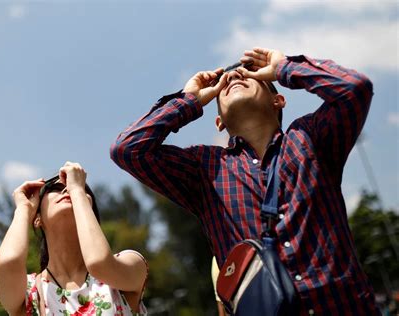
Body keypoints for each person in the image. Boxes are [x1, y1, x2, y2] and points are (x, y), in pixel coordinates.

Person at [110, 47, 380, 315]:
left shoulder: (311, 138)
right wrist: (189, 99)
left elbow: (355, 88)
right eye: (225, 82)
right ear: (219, 122)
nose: (235, 75)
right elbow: (127, 149)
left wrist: (284, 67)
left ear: (279, 101)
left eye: (251, 74)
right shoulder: (203, 169)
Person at [0, 162, 148, 315]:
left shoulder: (129, 264)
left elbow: (98, 263)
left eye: (81, 188)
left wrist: (77, 190)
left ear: (89, 211)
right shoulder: (28, 292)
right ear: (37, 219)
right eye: (55, 189)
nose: (66, 190)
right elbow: (9, 262)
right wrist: (23, 209)